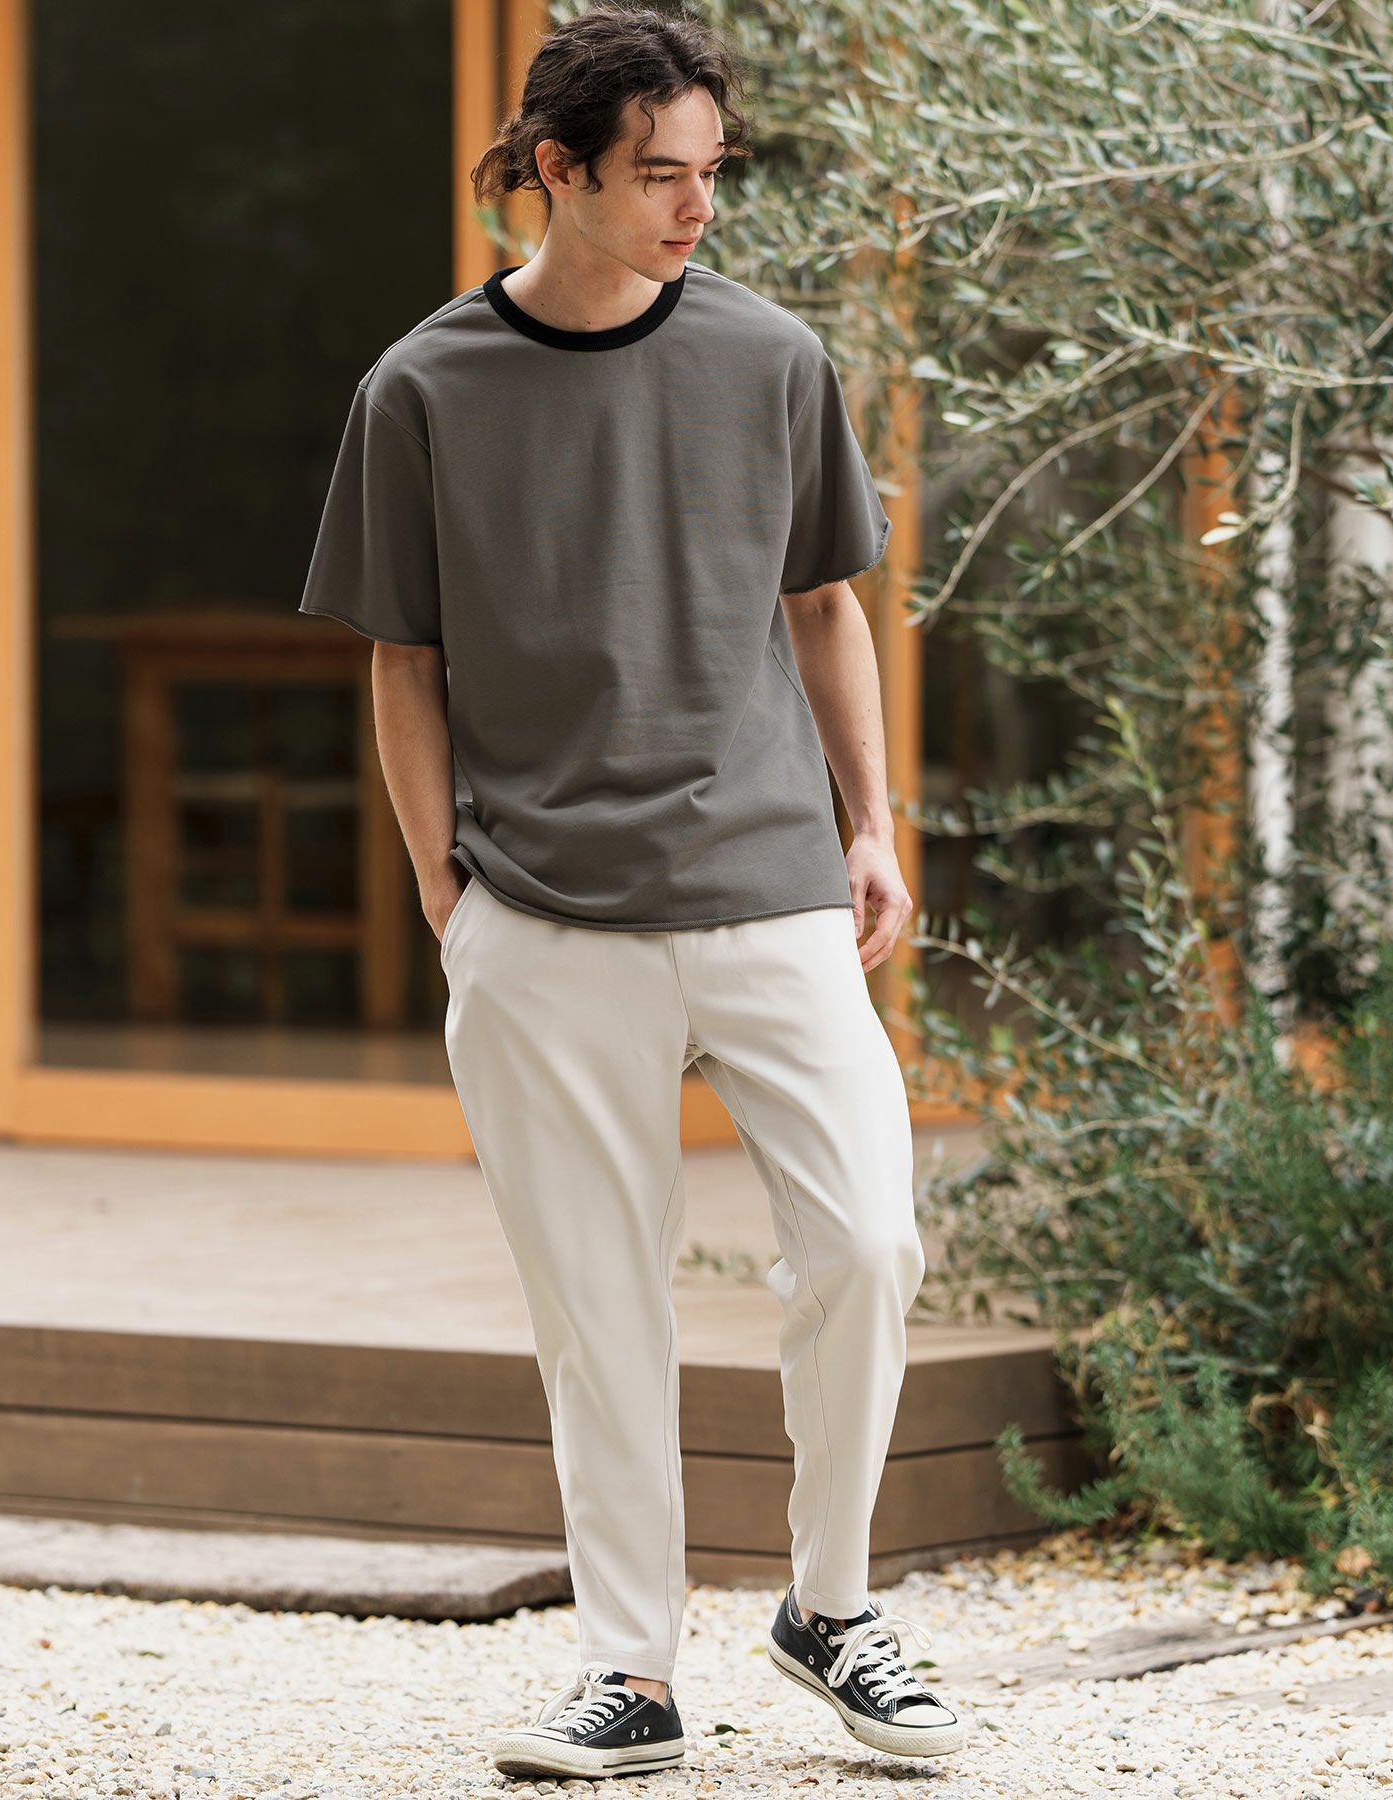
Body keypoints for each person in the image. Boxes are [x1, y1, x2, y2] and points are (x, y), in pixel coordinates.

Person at [298, 0, 964, 1778]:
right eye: (661, 174)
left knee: (870, 1241)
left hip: (770, 886)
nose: (697, 206)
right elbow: (405, 663)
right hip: (542, 914)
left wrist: (872, 824)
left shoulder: (772, 359)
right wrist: (450, 896)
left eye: (712, 170)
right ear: (558, 168)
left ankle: (832, 1608)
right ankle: (632, 1675)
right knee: (601, 1313)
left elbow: (827, 606)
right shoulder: (422, 388)